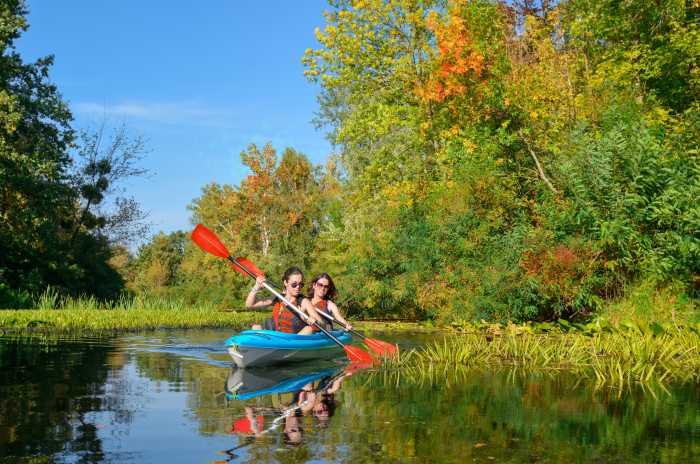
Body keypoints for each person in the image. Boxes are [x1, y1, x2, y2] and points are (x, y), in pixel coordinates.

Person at [245, 266, 320, 334]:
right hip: (277, 337)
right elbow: (249, 305)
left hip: (294, 340)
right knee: (256, 327)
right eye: (294, 284)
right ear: (285, 283)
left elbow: (321, 323)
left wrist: (313, 320)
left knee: (309, 329)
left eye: (301, 284)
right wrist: (256, 286)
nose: (298, 287)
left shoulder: (303, 301)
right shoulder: (278, 297)